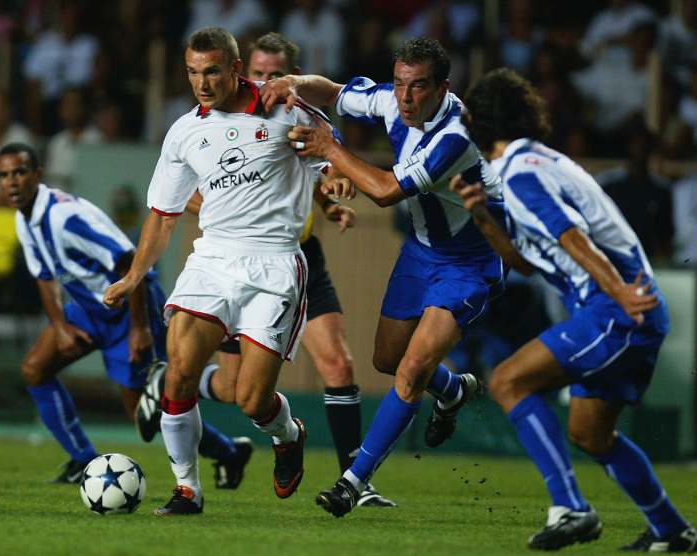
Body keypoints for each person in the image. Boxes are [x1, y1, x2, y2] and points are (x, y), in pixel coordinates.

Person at [103, 27, 343, 516]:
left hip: (275, 262)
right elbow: (163, 214)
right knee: (180, 374)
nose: (202, 83)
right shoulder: (184, 131)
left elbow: (331, 155)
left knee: (251, 401)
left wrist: (338, 181)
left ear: (235, 69)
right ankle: (187, 489)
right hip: (212, 259)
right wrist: (133, 276)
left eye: (212, 71)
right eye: (193, 72)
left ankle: (288, 434)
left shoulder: (287, 110)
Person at [262, 37, 505, 517]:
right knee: (387, 359)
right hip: (420, 254)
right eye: (398, 84)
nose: (405, 98)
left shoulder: (455, 136)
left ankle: (353, 482)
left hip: (470, 261)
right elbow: (331, 92)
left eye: (417, 88)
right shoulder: (392, 103)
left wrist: (332, 149)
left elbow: (388, 190)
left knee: (413, 369)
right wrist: (293, 81)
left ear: (443, 89)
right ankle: (453, 390)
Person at [455, 68, 696, 551]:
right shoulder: (538, 163)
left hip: (615, 309)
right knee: (590, 433)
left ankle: (571, 508)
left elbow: (572, 237)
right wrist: (481, 214)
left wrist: (621, 293)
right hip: (619, 308)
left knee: (506, 381)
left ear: (477, 124)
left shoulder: (522, 175)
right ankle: (671, 530)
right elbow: (524, 263)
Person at [187, 31, 395, 508]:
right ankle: (170, 383)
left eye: (275, 75)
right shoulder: (214, 124)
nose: (266, 83)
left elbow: (326, 170)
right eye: (257, 73)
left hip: (297, 259)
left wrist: (335, 196)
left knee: (338, 363)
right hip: (232, 263)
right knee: (237, 389)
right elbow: (189, 194)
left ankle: (354, 482)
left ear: (293, 80)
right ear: (242, 72)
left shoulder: (296, 119)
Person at [0, 142, 246, 486]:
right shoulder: (26, 219)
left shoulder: (65, 217)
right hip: (89, 310)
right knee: (35, 369)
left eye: (19, 172)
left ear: (38, 175)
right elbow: (44, 275)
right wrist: (60, 326)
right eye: (4, 175)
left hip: (130, 307)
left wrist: (140, 328)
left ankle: (229, 451)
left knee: (147, 416)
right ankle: (83, 461)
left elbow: (129, 261)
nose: (11, 182)